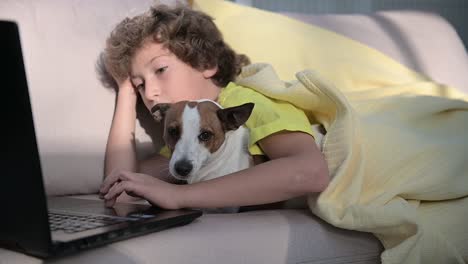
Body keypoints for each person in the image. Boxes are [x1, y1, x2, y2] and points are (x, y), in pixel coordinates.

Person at [98, 4, 329, 210]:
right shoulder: (182, 144)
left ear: (206, 63)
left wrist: (179, 195)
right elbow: (119, 189)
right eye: (140, 85)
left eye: (160, 70)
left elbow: (313, 172)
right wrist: (125, 91)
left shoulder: (250, 104)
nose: (149, 93)